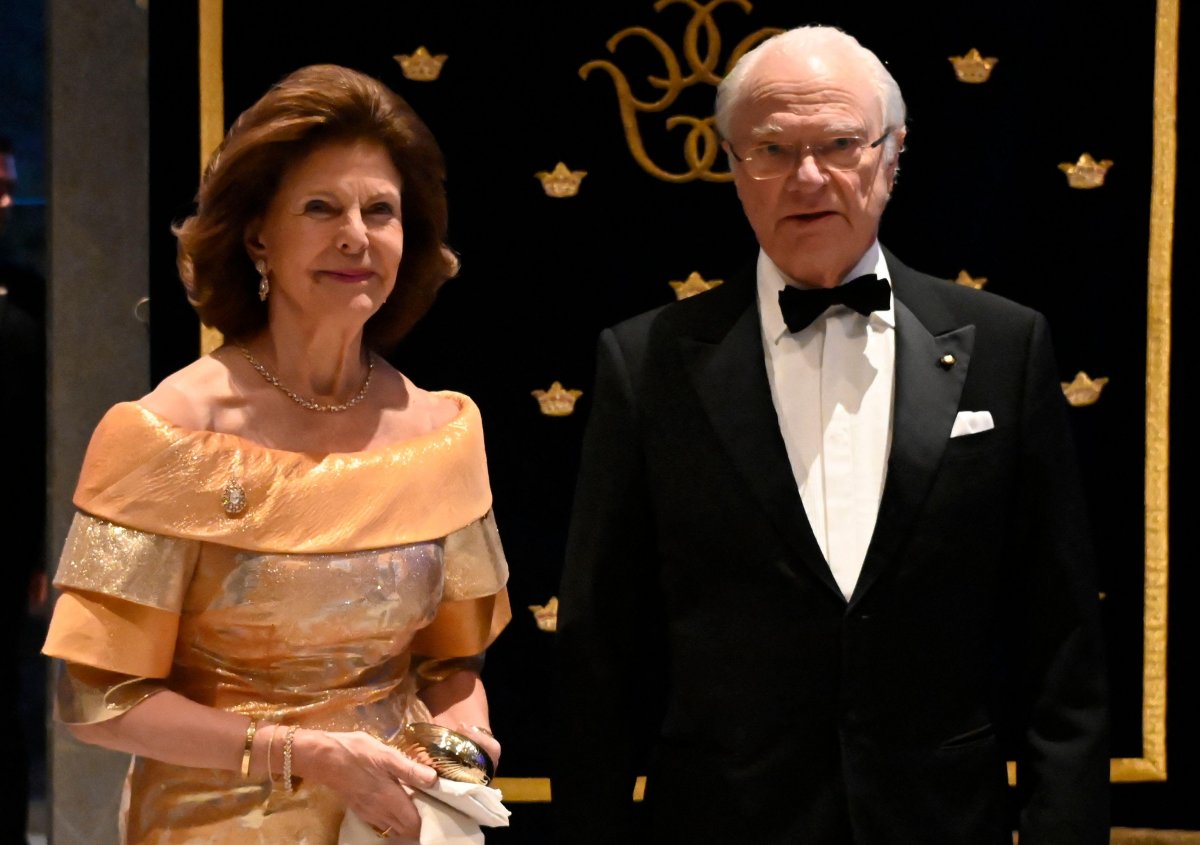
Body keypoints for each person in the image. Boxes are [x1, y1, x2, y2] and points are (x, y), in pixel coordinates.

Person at [554, 25, 1108, 845]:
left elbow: (1060, 642)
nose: (806, 177)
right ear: (735, 169)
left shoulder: (1007, 346)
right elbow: (602, 654)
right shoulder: (646, 363)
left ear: (892, 154)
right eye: (771, 148)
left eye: (840, 143)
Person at [41, 65, 511, 844]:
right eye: (321, 207)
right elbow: (99, 697)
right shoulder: (165, 435)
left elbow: (449, 664)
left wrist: (460, 743)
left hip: (388, 826)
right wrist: (307, 754)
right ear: (260, 232)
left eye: (381, 210)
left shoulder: (442, 432)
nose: (356, 235)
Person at [1, 132, 46, 845]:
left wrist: (38, 548)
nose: (4, 199)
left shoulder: (28, 294)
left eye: (7, 184)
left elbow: (40, 433)